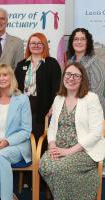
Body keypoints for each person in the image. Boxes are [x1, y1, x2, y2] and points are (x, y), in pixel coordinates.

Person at [39, 62, 105, 200]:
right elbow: (52, 127)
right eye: (68, 74)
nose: (71, 78)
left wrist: (68, 151)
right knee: (44, 166)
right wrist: (52, 145)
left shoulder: (91, 98)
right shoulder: (58, 98)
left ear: (82, 80)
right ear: (64, 77)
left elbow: (96, 132)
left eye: (76, 76)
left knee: (61, 169)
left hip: (83, 151)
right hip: (58, 148)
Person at [0, 63, 32, 200]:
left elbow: (26, 130)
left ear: (11, 77)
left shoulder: (22, 99)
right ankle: (8, 196)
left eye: (5, 75)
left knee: (0, 156)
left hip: (16, 145)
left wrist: (7, 141)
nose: (2, 78)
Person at [15, 32, 61, 141]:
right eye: (33, 43)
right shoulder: (21, 64)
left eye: (39, 43)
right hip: (24, 105)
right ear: (28, 46)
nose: (36, 45)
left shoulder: (52, 63)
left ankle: (38, 156)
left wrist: (53, 106)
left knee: (39, 134)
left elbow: (57, 88)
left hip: (43, 105)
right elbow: (15, 87)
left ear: (44, 45)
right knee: (24, 133)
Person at [67, 28, 105, 116]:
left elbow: (96, 94)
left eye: (83, 39)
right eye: (76, 39)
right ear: (72, 42)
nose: (79, 42)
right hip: (72, 111)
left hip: (90, 113)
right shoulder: (70, 62)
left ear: (88, 42)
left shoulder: (96, 64)